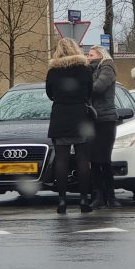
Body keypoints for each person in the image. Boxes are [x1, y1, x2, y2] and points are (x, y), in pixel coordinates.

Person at [46, 38, 95, 214]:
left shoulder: (53, 70)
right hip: (80, 116)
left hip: (60, 115)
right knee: (83, 160)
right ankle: (83, 200)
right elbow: (90, 91)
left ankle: (61, 201)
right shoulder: (84, 68)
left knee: (61, 160)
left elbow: (49, 93)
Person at [87, 45, 121, 209]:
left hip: (106, 119)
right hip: (92, 119)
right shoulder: (91, 70)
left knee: (104, 158)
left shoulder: (107, 67)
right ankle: (98, 195)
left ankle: (110, 195)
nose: (88, 57)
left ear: (100, 55)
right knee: (93, 159)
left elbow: (97, 88)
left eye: (91, 54)